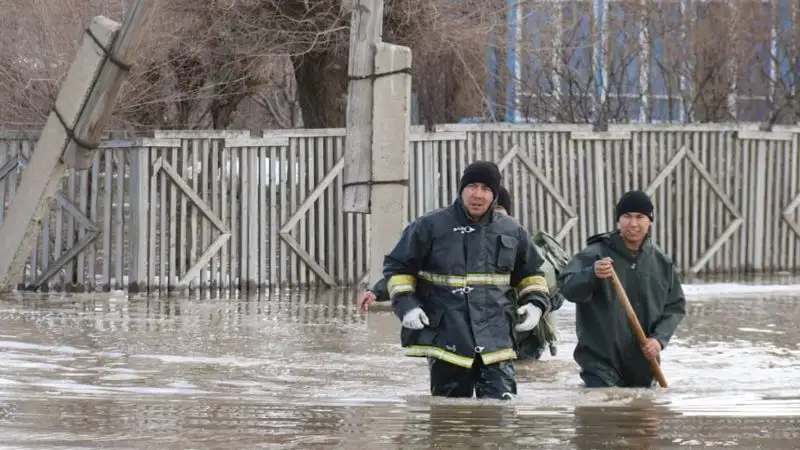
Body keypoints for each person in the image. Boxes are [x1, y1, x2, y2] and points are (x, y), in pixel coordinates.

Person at [382, 161, 552, 399]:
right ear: (461, 189)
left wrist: (536, 304)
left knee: (501, 415)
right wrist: (407, 307)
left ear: (494, 194)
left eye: (486, 188)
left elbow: (531, 274)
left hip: (497, 338)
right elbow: (397, 267)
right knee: (450, 418)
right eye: (472, 186)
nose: (478, 194)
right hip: (447, 337)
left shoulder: (513, 230)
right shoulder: (429, 226)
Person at [557, 190, 686, 388]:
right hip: (600, 365)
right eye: (627, 216)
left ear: (649, 221)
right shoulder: (595, 253)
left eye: (640, 217)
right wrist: (592, 274)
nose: (633, 223)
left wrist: (658, 341)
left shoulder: (661, 262)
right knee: (604, 411)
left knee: (640, 411)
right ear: (619, 220)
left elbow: (675, 307)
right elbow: (567, 288)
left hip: (644, 365)